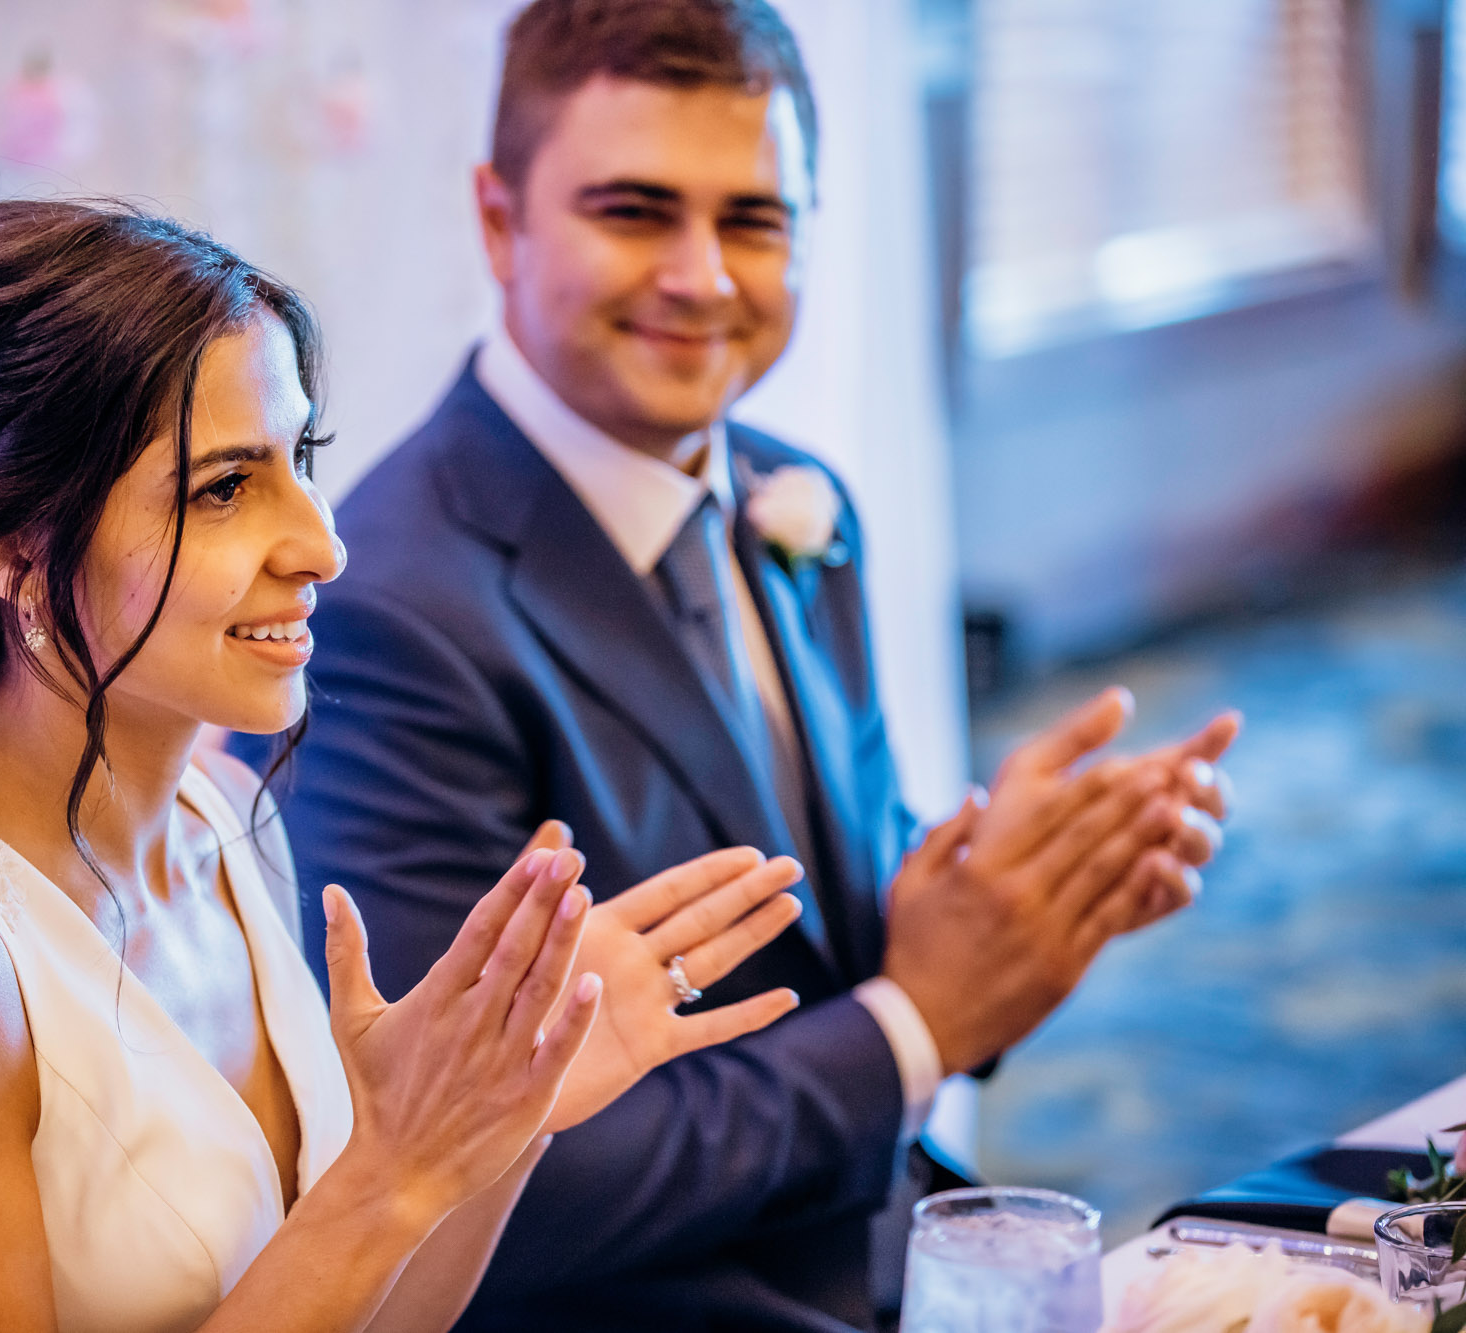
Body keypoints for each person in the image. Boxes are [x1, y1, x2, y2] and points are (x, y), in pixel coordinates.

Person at [0, 199, 875, 1332]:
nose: (322, 543)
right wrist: (390, 1172)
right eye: (226, 487)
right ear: (6, 549)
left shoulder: (224, 811)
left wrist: (503, 1115)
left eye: (300, 458)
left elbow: (384, 1314)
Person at [231, 2, 1239, 1329]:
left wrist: (1010, 900)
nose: (704, 276)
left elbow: (836, 939)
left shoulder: (795, 501)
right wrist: (919, 1022)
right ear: (499, 220)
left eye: (755, 220)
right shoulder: (388, 610)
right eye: (636, 211)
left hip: (889, 1252)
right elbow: (477, 1169)